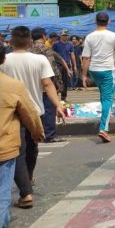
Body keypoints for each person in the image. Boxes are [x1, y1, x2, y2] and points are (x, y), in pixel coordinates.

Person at [1, 26, 64, 210]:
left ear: (11, 42)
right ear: (30, 41)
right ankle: (26, 182)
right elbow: (47, 84)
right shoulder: (40, 59)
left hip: (12, 111)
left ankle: (25, 190)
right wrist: (58, 105)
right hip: (35, 111)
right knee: (32, 148)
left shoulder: (4, 60)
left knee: (18, 150)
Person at [0, 45, 45, 224]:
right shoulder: (13, 86)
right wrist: (37, 134)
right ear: (3, 60)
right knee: (2, 196)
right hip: (5, 148)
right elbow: (30, 114)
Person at [82, 12, 115, 143]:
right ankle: (103, 129)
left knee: (103, 96)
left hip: (94, 70)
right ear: (109, 22)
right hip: (107, 70)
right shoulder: (113, 36)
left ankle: (105, 118)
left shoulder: (89, 37)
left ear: (96, 21)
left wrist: (84, 75)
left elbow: (85, 58)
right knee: (108, 99)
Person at [30, 27, 67, 143]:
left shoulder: (28, 50)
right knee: (49, 109)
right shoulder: (46, 49)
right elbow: (53, 67)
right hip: (46, 83)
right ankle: (50, 134)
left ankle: (38, 133)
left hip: (33, 84)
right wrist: (59, 84)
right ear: (43, 36)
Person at [52, 30, 76, 100]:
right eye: (63, 35)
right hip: (58, 65)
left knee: (65, 81)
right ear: (60, 36)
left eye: (66, 35)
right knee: (57, 80)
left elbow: (72, 54)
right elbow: (52, 54)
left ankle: (63, 97)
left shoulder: (70, 44)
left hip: (67, 64)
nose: (65, 37)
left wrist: (74, 66)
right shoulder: (56, 44)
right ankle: (55, 96)